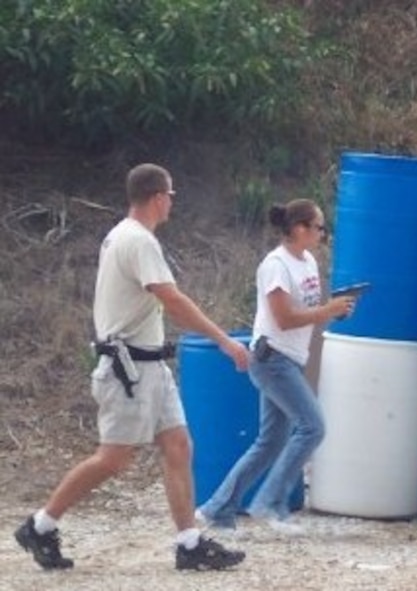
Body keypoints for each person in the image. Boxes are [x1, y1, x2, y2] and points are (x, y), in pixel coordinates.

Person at [13, 163, 249, 571]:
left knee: (178, 446)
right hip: (129, 370)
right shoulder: (138, 241)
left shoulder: (124, 237)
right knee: (113, 459)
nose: (172, 203)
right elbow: (172, 300)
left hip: (149, 366)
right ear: (159, 196)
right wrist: (223, 340)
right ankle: (41, 524)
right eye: (171, 195)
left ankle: (188, 542)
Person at [195, 198, 354, 533]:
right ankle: (270, 501)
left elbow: (305, 310)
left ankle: (218, 507)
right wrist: (327, 311)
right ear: (299, 229)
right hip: (273, 359)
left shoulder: (307, 261)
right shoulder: (276, 266)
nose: (323, 234)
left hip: (289, 360)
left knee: (270, 442)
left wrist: (333, 309)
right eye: (319, 227)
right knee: (313, 426)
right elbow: (283, 318)